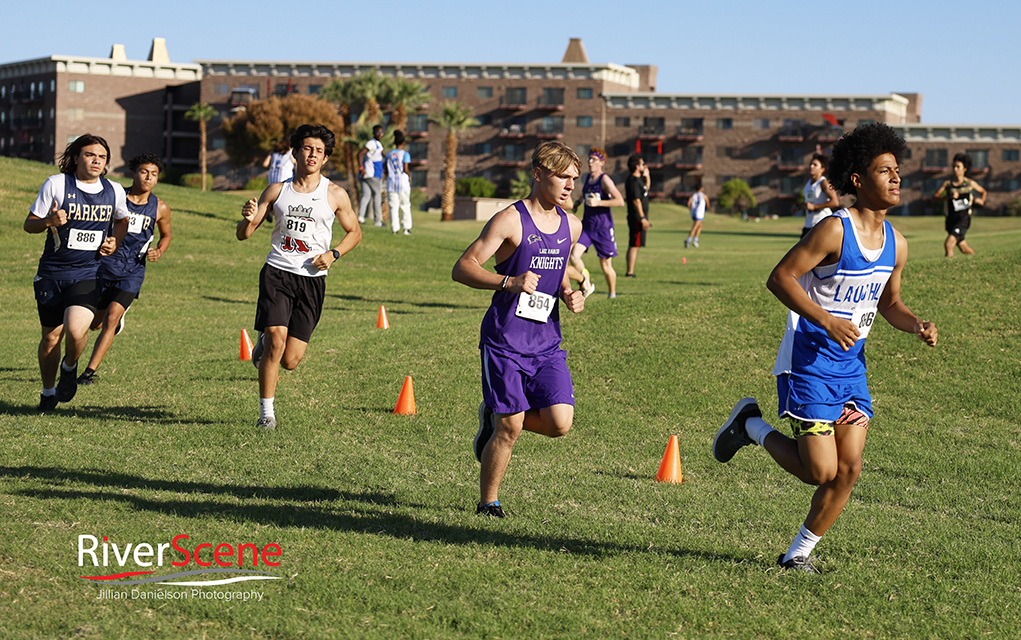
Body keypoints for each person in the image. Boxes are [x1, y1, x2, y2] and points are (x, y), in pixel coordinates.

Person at [712, 123, 938, 573]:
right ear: (857, 180)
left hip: (850, 369)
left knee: (848, 470)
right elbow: (781, 277)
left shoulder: (898, 244)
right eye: (884, 171)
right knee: (820, 471)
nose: (896, 179)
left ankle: (797, 555)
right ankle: (750, 425)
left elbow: (889, 303)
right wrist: (827, 320)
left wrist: (917, 324)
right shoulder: (834, 230)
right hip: (808, 363)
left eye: (897, 171)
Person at [452, 141, 586, 518]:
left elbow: (558, 276)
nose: (569, 185)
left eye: (574, 178)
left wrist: (569, 294)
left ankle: (493, 416)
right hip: (505, 340)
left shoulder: (571, 225)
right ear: (539, 174)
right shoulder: (509, 220)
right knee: (509, 427)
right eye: (562, 176)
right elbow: (463, 267)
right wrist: (508, 281)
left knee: (560, 423)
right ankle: (488, 502)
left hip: (546, 343)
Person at [237, 124, 361, 430]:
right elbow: (244, 234)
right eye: (307, 148)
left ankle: (264, 342)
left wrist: (333, 254)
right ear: (295, 152)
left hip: (312, 280)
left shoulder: (335, 194)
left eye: (319, 151)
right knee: (277, 342)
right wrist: (247, 218)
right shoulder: (277, 191)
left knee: (290, 360)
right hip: (277, 272)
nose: (313, 155)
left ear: (325, 158)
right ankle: (267, 414)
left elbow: (355, 233)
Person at [23, 134, 130, 412]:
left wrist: (115, 240)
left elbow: (122, 220)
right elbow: (29, 224)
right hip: (52, 274)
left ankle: (69, 367)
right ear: (76, 158)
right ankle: (48, 393)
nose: (97, 161)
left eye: (102, 157)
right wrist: (49, 221)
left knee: (75, 329)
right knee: (50, 337)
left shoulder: (115, 190)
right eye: (90, 155)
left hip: (88, 272)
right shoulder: (56, 184)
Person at [78, 153, 173, 386]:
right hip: (103, 265)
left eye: (154, 174)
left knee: (110, 319)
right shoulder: (116, 196)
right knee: (94, 323)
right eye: (144, 172)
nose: (149, 177)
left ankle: (88, 373)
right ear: (133, 174)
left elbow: (167, 235)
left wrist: (159, 250)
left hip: (132, 271)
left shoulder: (160, 207)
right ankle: (114, 321)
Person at [570, 147, 624, 298]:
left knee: (606, 266)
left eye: (594, 159)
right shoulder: (588, 178)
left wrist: (598, 203)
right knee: (574, 256)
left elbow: (620, 201)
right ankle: (586, 280)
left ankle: (612, 294)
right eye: (589, 158)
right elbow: (584, 195)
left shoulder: (605, 180)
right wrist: (578, 203)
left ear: (602, 162)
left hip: (603, 229)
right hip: (587, 227)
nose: (590, 162)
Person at [935, 152, 987, 257]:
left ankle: (947, 269)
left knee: (949, 244)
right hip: (951, 219)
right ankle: (977, 259)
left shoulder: (969, 183)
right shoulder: (947, 184)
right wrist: (947, 197)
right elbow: (935, 196)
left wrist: (982, 200)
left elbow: (983, 192)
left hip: (963, 219)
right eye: (953, 166)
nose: (955, 169)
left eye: (958, 167)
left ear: (965, 169)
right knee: (963, 247)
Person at [798, 153, 840, 238]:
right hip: (808, 224)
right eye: (810, 164)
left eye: (815, 165)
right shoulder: (808, 182)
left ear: (822, 169)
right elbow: (810, 201)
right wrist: (799, 207)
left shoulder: (823, 183)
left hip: (821, 223)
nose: (811, 166)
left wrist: (814, 207)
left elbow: (835, 202)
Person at [624, 154, 652, 277]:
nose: (644, 166)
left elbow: (646, 189)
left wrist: (647, 176)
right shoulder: (633, 181)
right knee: (634, 244)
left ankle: (630, 270)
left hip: (639, 217)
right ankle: (630, 272)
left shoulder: (639, 180)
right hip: (636, 217)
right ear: (636, 166)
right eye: (642, 164)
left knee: (636, 245)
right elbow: (636, 200)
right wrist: (642, 218)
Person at [384, 129, 413, 235]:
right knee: (405, 205)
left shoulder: (389, 154)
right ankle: (406, 228)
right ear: (403, 143)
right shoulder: (405, 154)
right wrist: (409, 175)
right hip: (403, 183)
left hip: (391, 183)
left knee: (393, 206)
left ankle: (394, 229)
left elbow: (385, 167)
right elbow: (405, 168)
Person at [357, 125, 385, 226]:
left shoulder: (378, 144)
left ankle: (360, 217)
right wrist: (361, 168)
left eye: (382, 133)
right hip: (372, 174)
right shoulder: (371, 143)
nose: (380, 134)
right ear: (373, 133)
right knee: (377, 195)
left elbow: (384, 154)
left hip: (368, 174)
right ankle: (378, 220)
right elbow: (360, 154)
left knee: (366, 195)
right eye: (378, 132)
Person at [685, 182, 708, 248]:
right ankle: (688, 240)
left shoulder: (693, 195)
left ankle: (695, 240)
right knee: (695, 227)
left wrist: (691, 209)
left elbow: (689, 203)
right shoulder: (704, 195)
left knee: (700, 226)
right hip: (699, 213)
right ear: (701, 188)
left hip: (693, 213)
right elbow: (708, 204)